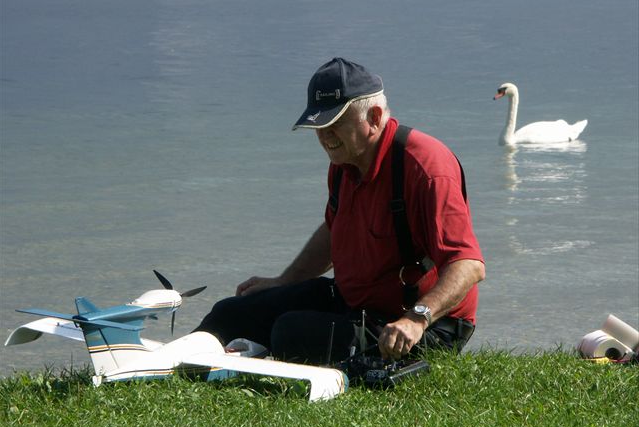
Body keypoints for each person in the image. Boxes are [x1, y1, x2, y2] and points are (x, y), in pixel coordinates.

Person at [194, 58, 485, 363]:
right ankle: (172, 365)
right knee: (229, 312)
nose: (325, 136)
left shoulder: (426, 167)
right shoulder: (345, 162)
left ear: (373, 117)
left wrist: (417, 318)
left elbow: (468, 265)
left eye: (335, 124)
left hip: (425, 325)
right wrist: (283, 281)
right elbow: (334, 230)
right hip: (355, 305)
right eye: (319, 125)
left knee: (290, 333)